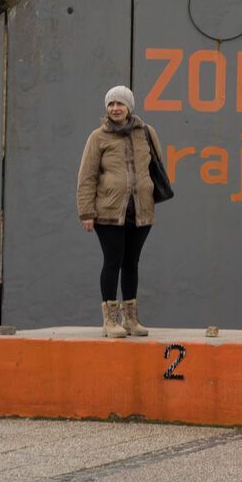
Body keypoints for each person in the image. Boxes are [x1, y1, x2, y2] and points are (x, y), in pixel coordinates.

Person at [77, 85, 161, 338]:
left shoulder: (146, 133)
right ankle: (110, 320)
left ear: (129, 107)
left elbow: (156, 167)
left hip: (141, 211)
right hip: (108, 212)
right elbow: (86, 177)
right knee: (113, 261)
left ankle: (131, 320)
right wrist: (86, 212)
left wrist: (148, 192)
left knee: (131, 263)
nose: (115, 108)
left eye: (120, 104)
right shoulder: (98, 137)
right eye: (111, 104)